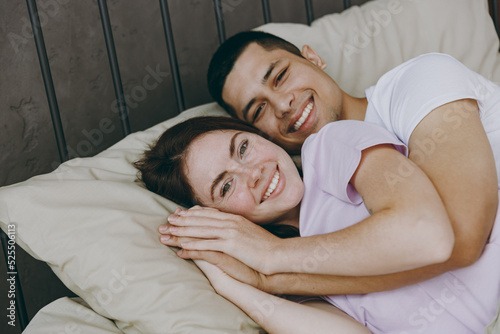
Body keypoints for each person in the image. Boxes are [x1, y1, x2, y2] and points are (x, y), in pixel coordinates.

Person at [167, 31, 500, 295]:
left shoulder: (419, 81)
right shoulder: (317, 199)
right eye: (258, 110)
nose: (282, 105)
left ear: (313, 58)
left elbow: (461, 241)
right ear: (261, 134)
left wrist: (275, 268)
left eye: (280, 75)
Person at [134, 115, 500, 333]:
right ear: (221, 218)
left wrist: (272, 256)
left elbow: (426, 235)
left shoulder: (329, 148)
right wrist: (233, 278)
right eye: (227, 186)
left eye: (243, 148)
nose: (254, 173)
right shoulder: (291, 274)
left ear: (258, 135)